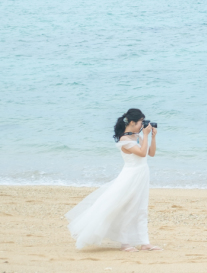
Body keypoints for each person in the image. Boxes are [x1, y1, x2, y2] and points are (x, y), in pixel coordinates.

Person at [66, 108, 162, 252]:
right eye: (140, 122)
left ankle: (144, 243)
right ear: (131, 122)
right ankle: (125, 243)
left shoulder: (137, 136)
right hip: (130, 177)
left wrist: (152, 137)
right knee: (128, 209)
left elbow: (151, 154)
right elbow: (142, 153)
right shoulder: (124, 139)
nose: (142, 126)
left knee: (141, 209)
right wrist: (146, 135)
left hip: (141, 174)